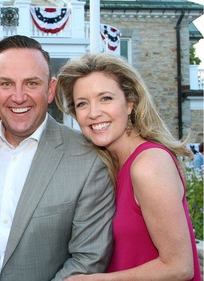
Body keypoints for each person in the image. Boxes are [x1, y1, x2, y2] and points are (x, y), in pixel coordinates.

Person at [0, 35, 115, 281]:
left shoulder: (88, 160)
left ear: (50, 90)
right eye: (6, 84)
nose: (18, 96)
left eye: (31, 83)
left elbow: (87, 260)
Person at [54, 52, 201, 281]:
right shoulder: (112, 165)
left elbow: (180, 267)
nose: (93, 113)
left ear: (130, 104)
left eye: (106, 98)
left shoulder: (149, 164)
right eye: (82, 103)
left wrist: (93, 280)